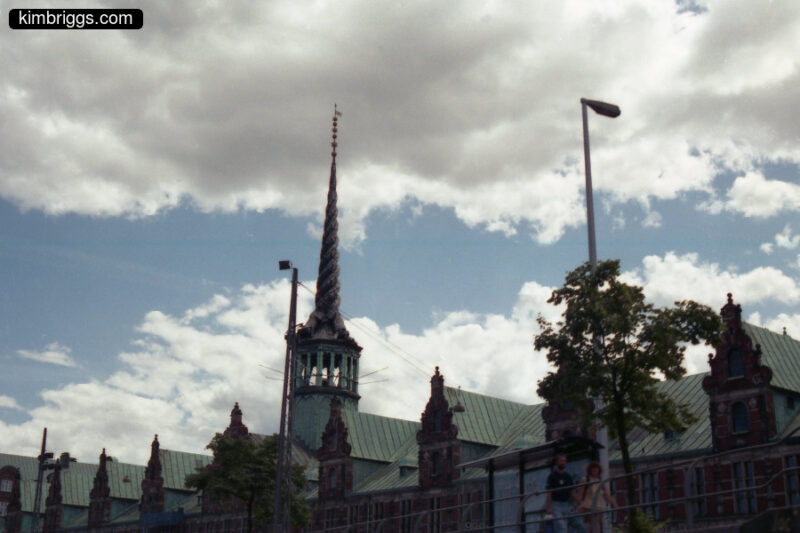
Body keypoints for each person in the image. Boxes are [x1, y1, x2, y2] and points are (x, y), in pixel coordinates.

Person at [577, 461, 615, 533]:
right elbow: (580, 494)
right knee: (595, 525)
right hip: (588, 507)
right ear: (589, 470)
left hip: (599, 507)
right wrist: (580, 505)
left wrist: (615, 504)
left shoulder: (600, 482)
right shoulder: (585, 480)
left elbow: (607, 495)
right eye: (592, 468)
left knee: (594, 527)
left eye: (596, 468)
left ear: (599, 470)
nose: (594, 470)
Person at [545, 453, 578, 533]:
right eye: (561, 461)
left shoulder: (568, 476)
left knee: (566, 527)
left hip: (566, 504)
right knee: (560, 527)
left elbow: (572, 492)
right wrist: (548, 507)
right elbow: (549, 492)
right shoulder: (552, 476)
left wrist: (580, 502)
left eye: (565, 461)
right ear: (556, 462)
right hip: (556, 505)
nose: (563, 462)